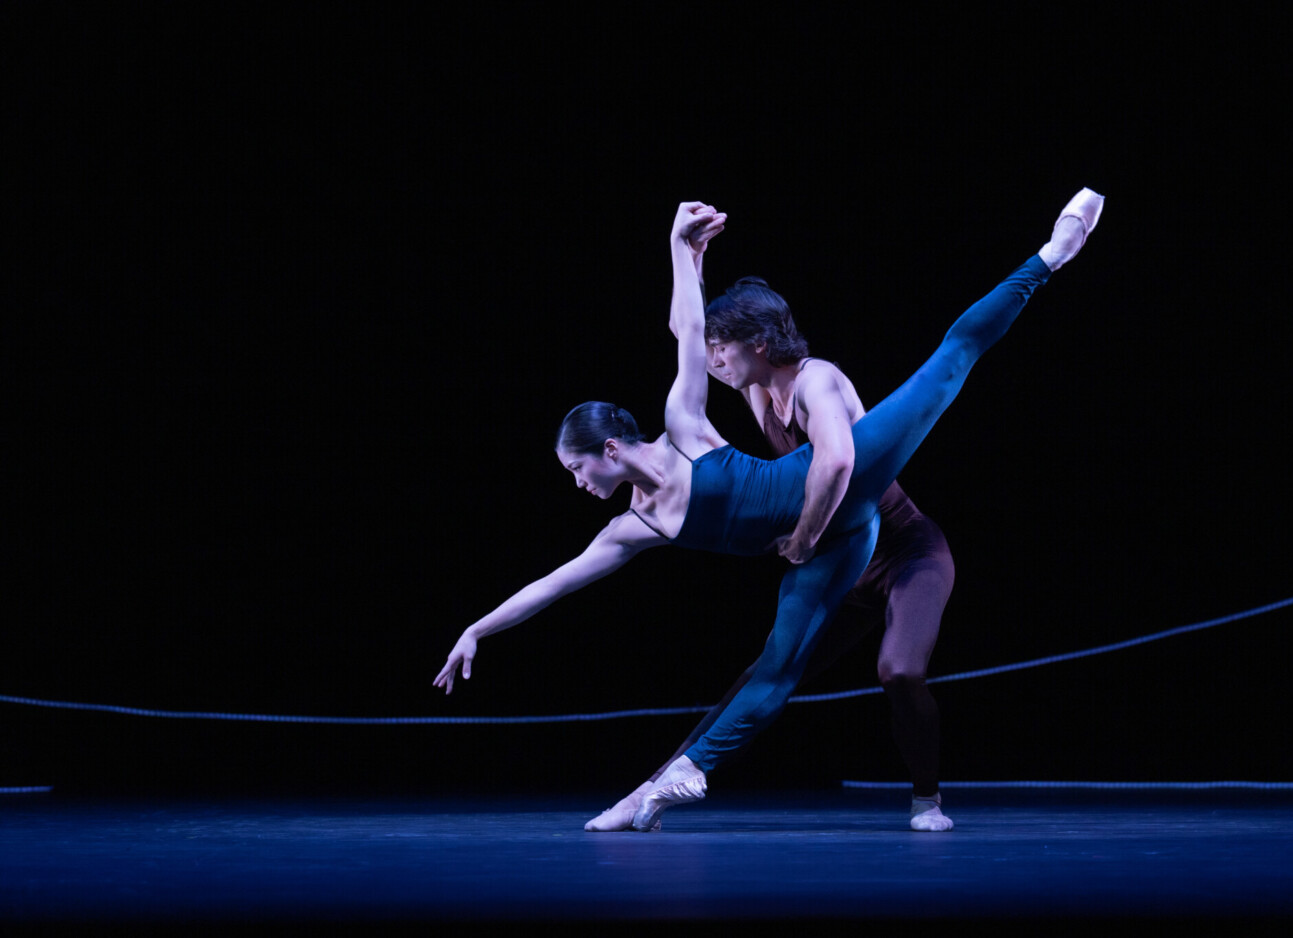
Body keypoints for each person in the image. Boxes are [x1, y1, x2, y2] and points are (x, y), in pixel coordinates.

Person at [435, 190, 1104, 831]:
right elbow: (553, 583)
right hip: (842, 546)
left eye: (577, 468)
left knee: (948, 362)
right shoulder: (632, 527)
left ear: (609, 449)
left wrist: (679, 248)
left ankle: (1049, 256)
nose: (576, 483)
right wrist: (477, 629)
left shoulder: (698, 421)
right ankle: (655, 791)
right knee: (770, 674)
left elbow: (721, 358)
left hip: (849, 515)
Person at [585, 287, 965, 833]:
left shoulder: (816, 380)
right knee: (758, 678)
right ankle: (649, 792)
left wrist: (805, 537)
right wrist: (689, 258)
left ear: (757, 344)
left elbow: (837, 462)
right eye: (712, 349)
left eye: (723, 348)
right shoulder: (758, 393)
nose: (714, 361)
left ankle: (926, 799)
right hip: (842, 567)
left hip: (905, 550)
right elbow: (685, 332)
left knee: (899, 670)